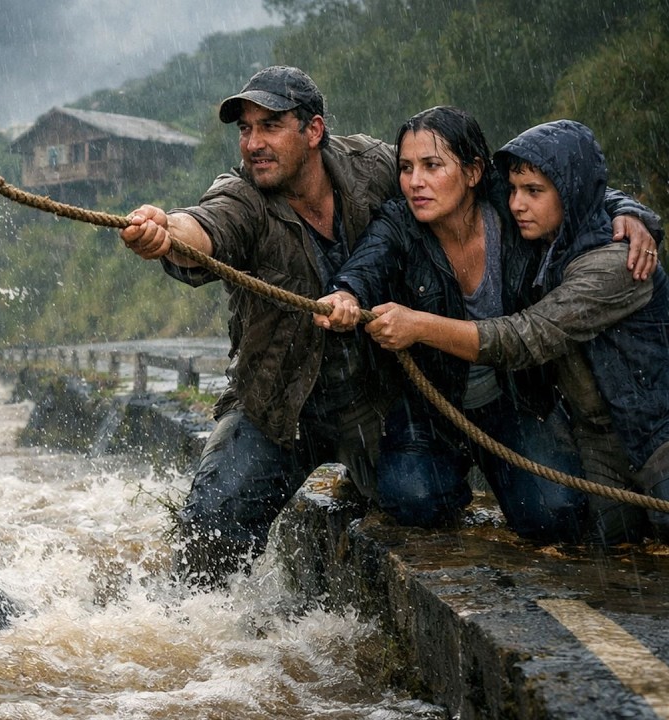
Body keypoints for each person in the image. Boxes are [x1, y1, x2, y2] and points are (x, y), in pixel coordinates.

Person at [314, 108, 660, 543]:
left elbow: (572, 192)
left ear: (474, 171)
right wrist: (345, 293)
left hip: (517, 397)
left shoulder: (511, 203)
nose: (414, 182)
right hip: (432, 402)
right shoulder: (399, 222)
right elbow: (366, 264)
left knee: (556, 514)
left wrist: (630, 212)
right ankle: (434, 477)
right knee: (415, 501)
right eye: (405, 168)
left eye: (432, 166)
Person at [120, 66, 401, 585]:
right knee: (208, 533)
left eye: (269, 126)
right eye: (245, 129)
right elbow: (204, 228)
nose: (253, 144)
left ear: (313, 130)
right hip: (276, 410)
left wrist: (605, 205)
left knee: (421, 499)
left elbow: (461, 180)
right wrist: (166, 232)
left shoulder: (374, 166)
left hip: (375, 401)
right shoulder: (243, 197)